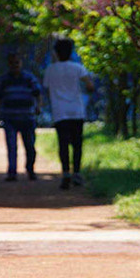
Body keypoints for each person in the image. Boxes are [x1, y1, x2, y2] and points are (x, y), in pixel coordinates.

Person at [42, 38, 94, 189]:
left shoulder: (50, 70)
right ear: (71, 52)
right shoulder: (77, 68)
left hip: (60, 111)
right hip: (77, 111)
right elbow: (90, 85)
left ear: (56, 53)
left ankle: (65, 174)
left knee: (63, 143)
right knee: (77, 144)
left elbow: (45, 88)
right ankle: (76, 173)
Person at [0, 52, 42, 181]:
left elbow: (38, 93)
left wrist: (38, 107)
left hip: (27, 118)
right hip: (9, 118)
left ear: (21, 63)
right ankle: (12, 171)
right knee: (11, 146)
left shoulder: (29, 78)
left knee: (30, 146)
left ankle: (30, 169)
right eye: (12, 63)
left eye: (17, 62)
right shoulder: (3, 80)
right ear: (8, 64)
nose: (15, 65)